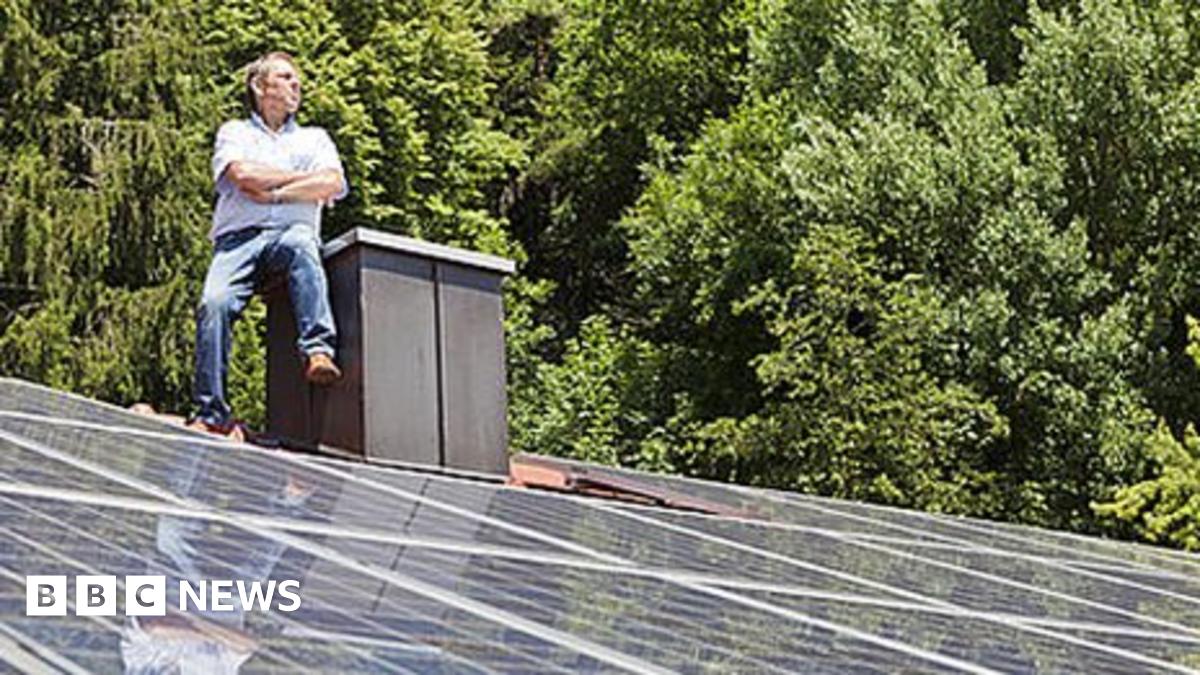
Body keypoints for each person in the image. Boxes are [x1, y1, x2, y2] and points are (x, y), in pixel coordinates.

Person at [190, 51, 347, 437]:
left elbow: (331, 182)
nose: (296, 85)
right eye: (286, 77)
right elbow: (242, 175)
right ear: (260, 87)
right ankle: (211, 412)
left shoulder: (315, 138)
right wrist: (301, 181)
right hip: (237, 241)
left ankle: (318, 350)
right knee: (213, 303)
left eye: (297, 79)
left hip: (292, 233)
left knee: (302, 247)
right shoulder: (234, 132)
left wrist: (275, 192)